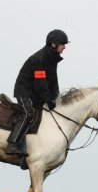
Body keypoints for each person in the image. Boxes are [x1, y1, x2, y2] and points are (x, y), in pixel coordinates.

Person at [6, 29, 69, 157]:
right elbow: (41, 83)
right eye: (63, 44)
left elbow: (52, 81)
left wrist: (55, 98)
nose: (64, 47)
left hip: (34, 92)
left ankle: (25, 153)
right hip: (24, 91)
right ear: (54, 44)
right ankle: (12, 144)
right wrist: (48, 100)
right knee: (29, 113)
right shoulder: (40, 58)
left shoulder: (52, 59)